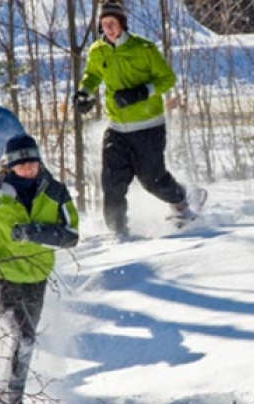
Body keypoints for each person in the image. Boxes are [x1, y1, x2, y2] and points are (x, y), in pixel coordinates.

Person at [0, 133, 79, 404]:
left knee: (25, 340)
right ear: (9, 166)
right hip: (1, 275)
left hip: (36, 277)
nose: (29, 168)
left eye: (33, 163)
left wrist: (35, 233)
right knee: (24, 337)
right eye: (22, 165)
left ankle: (6, 395)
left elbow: (71, 235)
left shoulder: (55, 192)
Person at [73, 0, 193, 236]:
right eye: (104, 23)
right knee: (112, 184)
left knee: (152, 181)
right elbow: (92, 76)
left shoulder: (144, 49)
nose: (108, 28)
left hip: (148, 126)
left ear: (122, 24)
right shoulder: (98, 51)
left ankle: (180, 201)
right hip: (117, 128)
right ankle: (117, 233)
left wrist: (142, 92)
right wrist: (83, 94)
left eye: (112, 23)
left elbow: (167, 79)